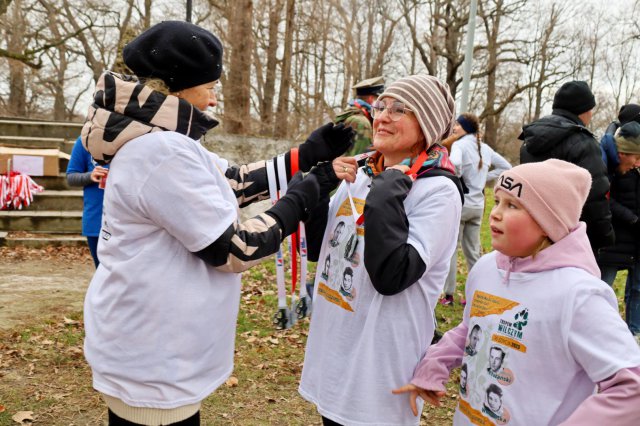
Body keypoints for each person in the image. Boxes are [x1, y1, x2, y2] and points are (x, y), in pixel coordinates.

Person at [80, 21, 354, 426]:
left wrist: (306, 154)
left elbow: (234, 183)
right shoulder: (161, 151)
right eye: (209, 86)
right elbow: (233, 249)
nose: (212, 99)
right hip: (154, 360)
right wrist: (306, 192)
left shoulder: (162, 140)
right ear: (178, 86)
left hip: (152, 347)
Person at [393, 159, 640, 425]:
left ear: (549, 223)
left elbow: (631, 389)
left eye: (512, 205)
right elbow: (470, 330)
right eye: (497, 200)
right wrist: (433, 367)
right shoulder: (486, 269)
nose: (495, 213)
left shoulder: (580, 295)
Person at [299, 74, 464, 426]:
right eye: (381, 106)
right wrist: (313, 188)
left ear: (426, 126)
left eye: (400, 109)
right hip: (336, 349)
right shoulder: (361, 170)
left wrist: (386, 196)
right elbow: (322, 249)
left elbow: (393, 275)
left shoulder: (439, 191)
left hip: (379, 368)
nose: (383, 116)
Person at [519, 80, 614, 255]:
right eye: (590, 109)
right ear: (583, 110)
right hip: (570, 239)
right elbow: (595, 196)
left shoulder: (530, 139)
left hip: (534, 234)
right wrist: (604, 237)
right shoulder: (583, 142)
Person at [440, 113, 511, 306]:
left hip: (462, 204)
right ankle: (476, 294)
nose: (454, 128)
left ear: (464, 128)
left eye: (456, 125)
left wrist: (460, 175)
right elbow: (507, 167)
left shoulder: (459, 145)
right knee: (472, 252)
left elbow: (454, 164)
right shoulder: (485, 148)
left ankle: (448, 295)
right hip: (478, 206)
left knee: (452, 249)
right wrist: (484, 178)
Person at [598, 122, 640, 339]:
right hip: (613, 239)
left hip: (630, 240)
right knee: (602, 287)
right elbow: (605, 200)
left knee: (636, 290)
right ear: (624, 153)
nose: (637, 163)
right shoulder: (606, 164)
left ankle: (631, 334)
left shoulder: (622, 163)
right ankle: (597, 333)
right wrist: (631, 218)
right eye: (635, 158)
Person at [66, 136, 108, 267]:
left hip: (127, 221)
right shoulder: (85, 141)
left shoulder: (131, 139)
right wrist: (90, 176)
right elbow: (71, 177)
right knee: (102, 272)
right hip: (96, 220)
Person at [335, 76, 385, 156]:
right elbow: (359, 160)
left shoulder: (349, 114)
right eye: (379, 100)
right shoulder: (362, 122)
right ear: (371, 99)